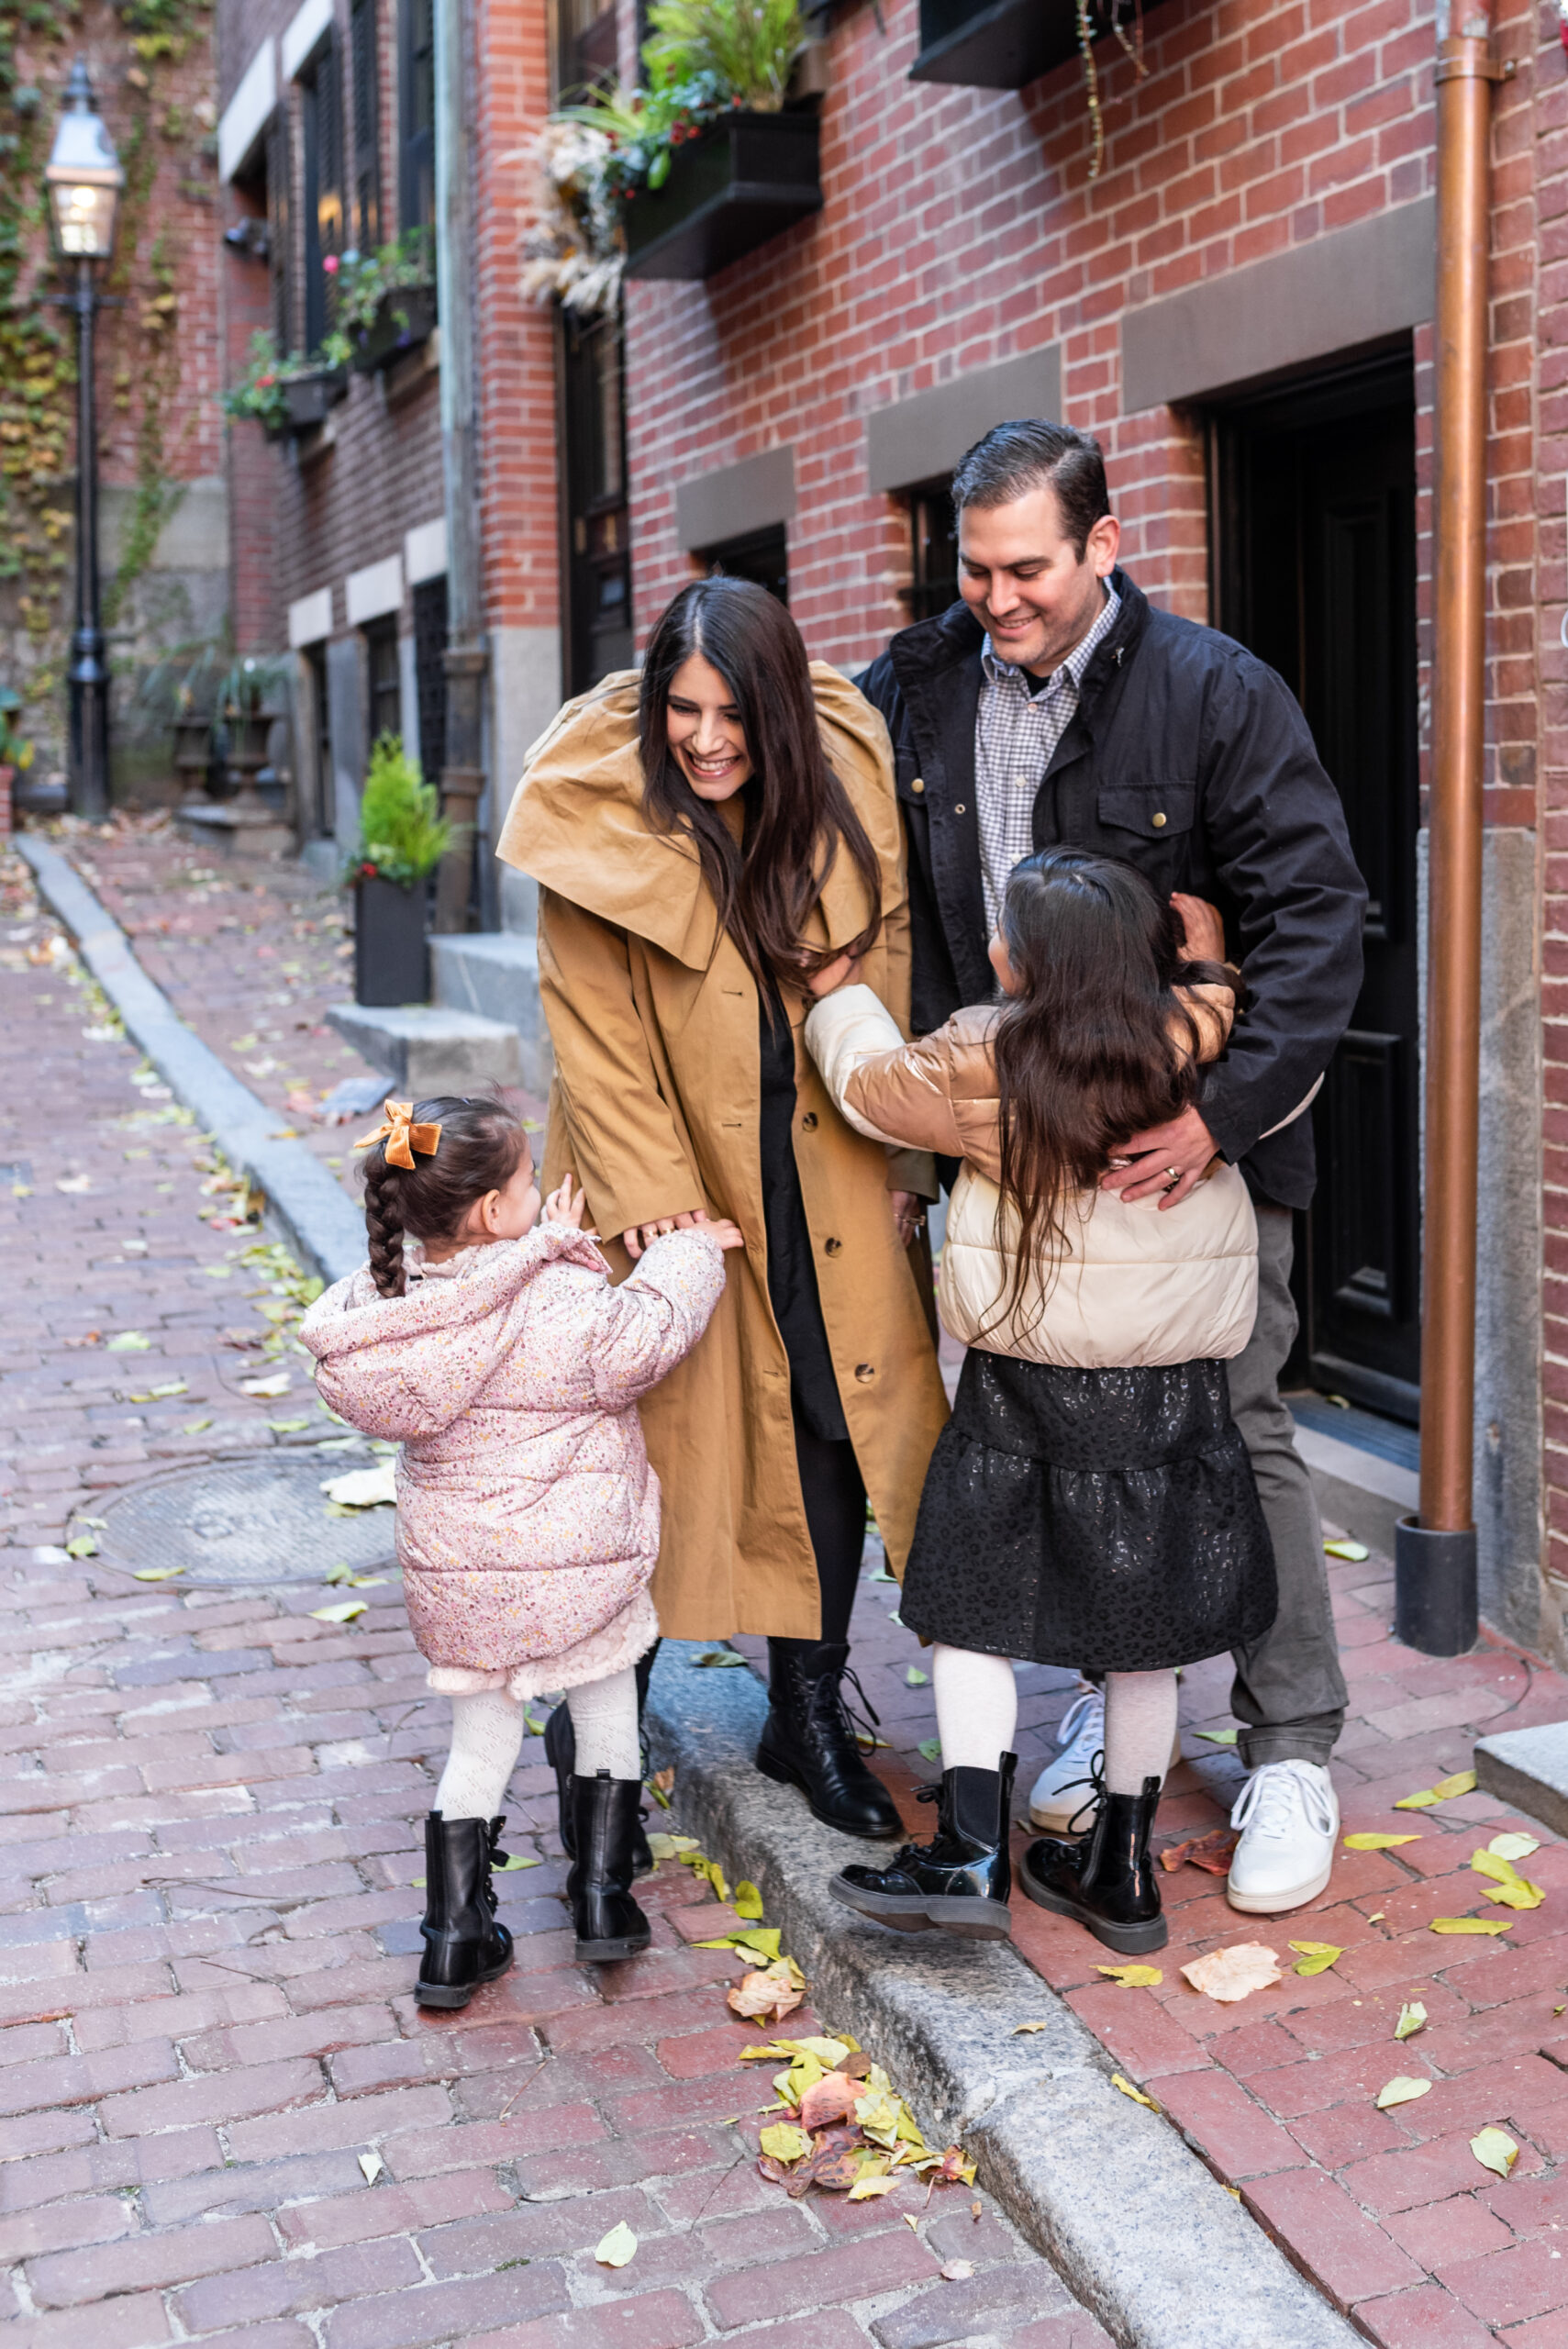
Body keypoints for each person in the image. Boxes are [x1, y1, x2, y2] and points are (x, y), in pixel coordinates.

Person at [857, 420, 1367, 1916]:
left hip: (1180, 1168)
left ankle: (1286, 1746)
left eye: (1026, 568)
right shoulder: (921, 682)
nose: (996, 597)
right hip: (1013, 1161)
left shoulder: (1212, 695)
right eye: (973, 567)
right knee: (1050, 1450)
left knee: (1232, 1423)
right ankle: (1111, 1708)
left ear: (1102, 543)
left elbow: (1316, 920)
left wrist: (1223, 1115)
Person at [496, 578, 951, 1842]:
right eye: (683, 709)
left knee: (829, 1425)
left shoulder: (837, 787)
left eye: (733, 713)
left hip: (824, 1174)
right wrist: (654, 1202)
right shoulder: (602, 815)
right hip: (669, 1184)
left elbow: (891, 973)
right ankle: (603, 1745)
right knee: (638, 1457)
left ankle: (803, 1714)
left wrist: (905, 1164)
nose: (706, 738)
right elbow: (584, 1024)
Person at [805, 851, 1277, 1950]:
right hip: (1168, 1392)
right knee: (1143, 1633)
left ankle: (969, 1850)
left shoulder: (986, 1047)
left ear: (1026, 958)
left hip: (1024, 1387)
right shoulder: (1176, 1035)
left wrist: (839, 1000)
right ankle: (1120, 1868)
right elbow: (1208, 1007)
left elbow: (872, 1087)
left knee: (969, 1610)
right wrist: (1206, 962)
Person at [299, 1094, 735, 2003]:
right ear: (497, 1210)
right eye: (528, 1181)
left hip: (465, 1580)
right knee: (608, 1711)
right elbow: (646, 1337)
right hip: (581, 1563)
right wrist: (687, 1252)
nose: (540, 1191)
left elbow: (471, 1286)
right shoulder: (564, 1297)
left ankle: (453, 1935)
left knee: (479, 1739)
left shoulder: (393, 1312)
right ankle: (604, 1899)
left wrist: (541, 1241)